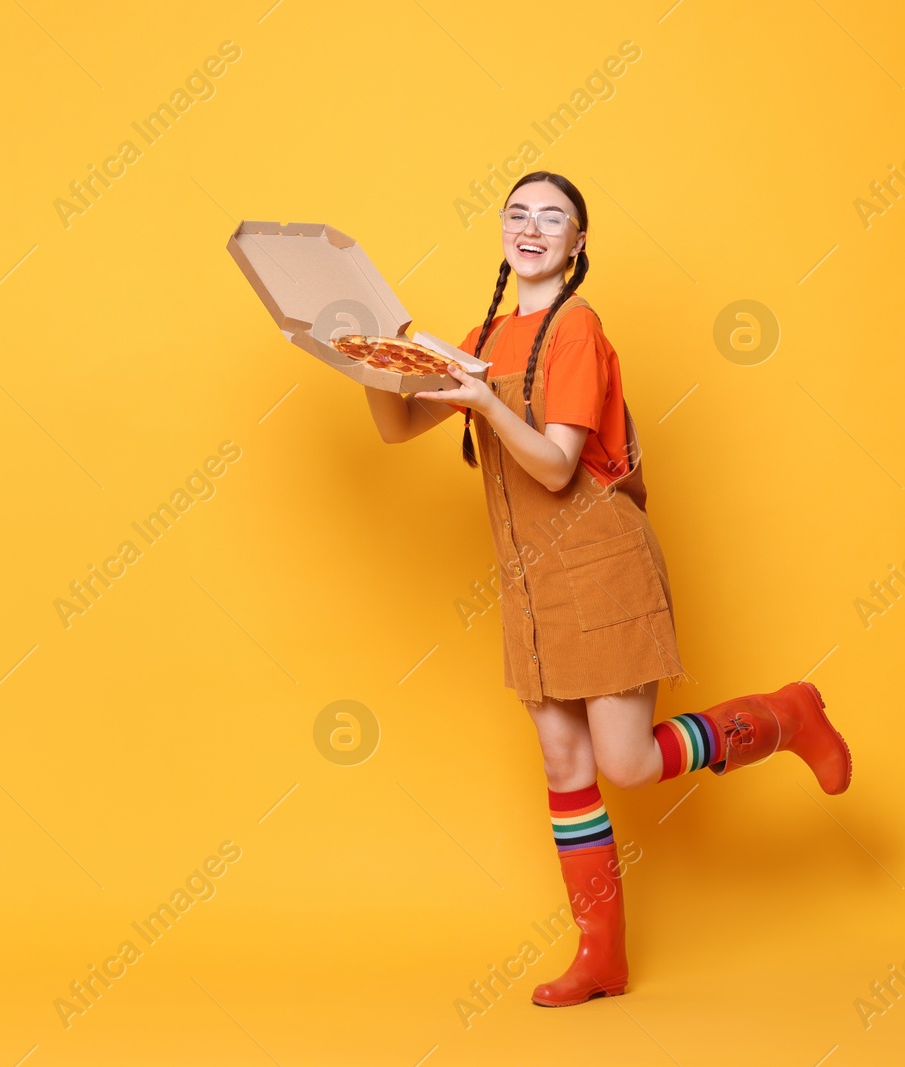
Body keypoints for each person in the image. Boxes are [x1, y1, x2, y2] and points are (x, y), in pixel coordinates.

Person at [362, 170, 852, 1007]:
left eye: (552, 218)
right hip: (528, 579)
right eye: (517, 213)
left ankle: (785, 716)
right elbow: (398, 426)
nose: (531, 227)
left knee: (624, 762)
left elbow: (555, 465)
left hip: (598, 561)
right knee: (564, 762)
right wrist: (371, 358)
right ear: (502, 231)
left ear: (577, 243)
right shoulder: (482, 335)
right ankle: (601, 957)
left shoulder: (578, 330)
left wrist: (482, 396)